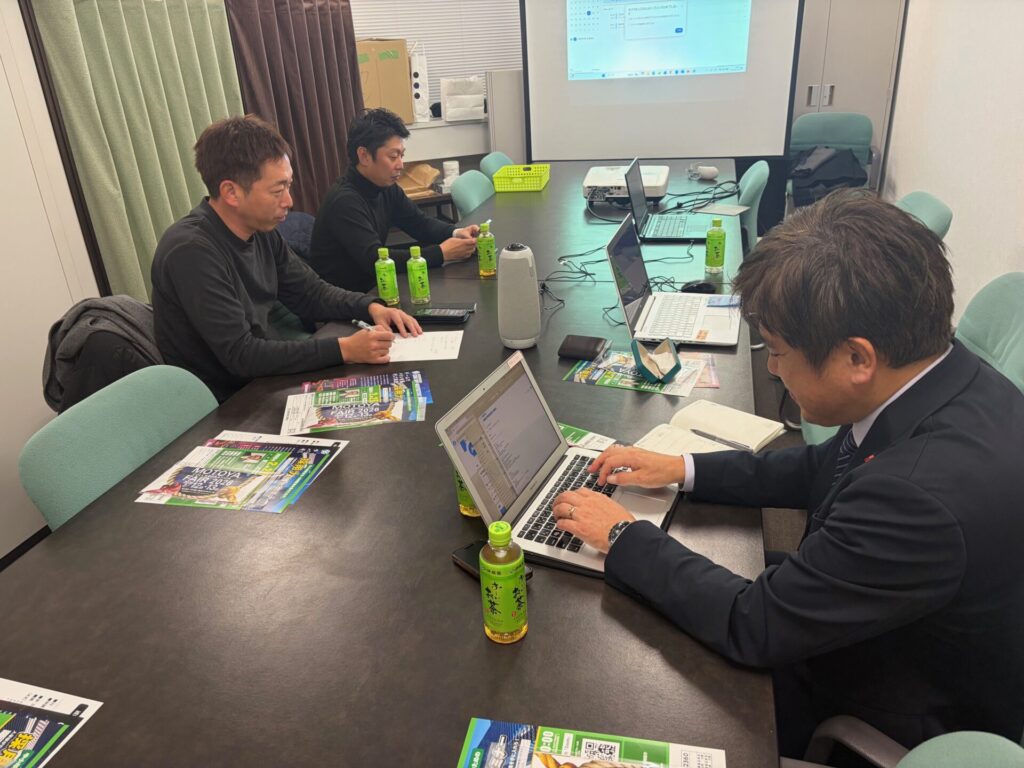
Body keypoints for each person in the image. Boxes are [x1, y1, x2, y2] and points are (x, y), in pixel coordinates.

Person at [551, 189, 1024, 758]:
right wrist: (682, 467)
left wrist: (621, 533)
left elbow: (755, 626)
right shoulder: (942, 375)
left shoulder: (916, 498)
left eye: (777, 352)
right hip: (881, 613)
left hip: (893, 699)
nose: (772, 369)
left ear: (857, 358)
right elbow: (824, 464)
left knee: (616, 676)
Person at [152, 115, 420, 402]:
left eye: (288, 187)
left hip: (263, 379)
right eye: (278, 190)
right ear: (231, 192)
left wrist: (370, 306)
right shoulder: (191, 251)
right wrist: (344, 349)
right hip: (227, 401)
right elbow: (241, 355)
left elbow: (310, 293)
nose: (289, 201)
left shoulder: (260, 230)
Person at [307, 108, 480, 292]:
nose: (400, 165)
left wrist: (456, 233)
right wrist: (441, 253)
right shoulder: (344, 201)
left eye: (401, 155)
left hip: (376, 287)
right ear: (364, 156)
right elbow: (374, 260)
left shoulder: (385, 187)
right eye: (393, 156)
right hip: (346, 298)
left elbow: (419, 223)